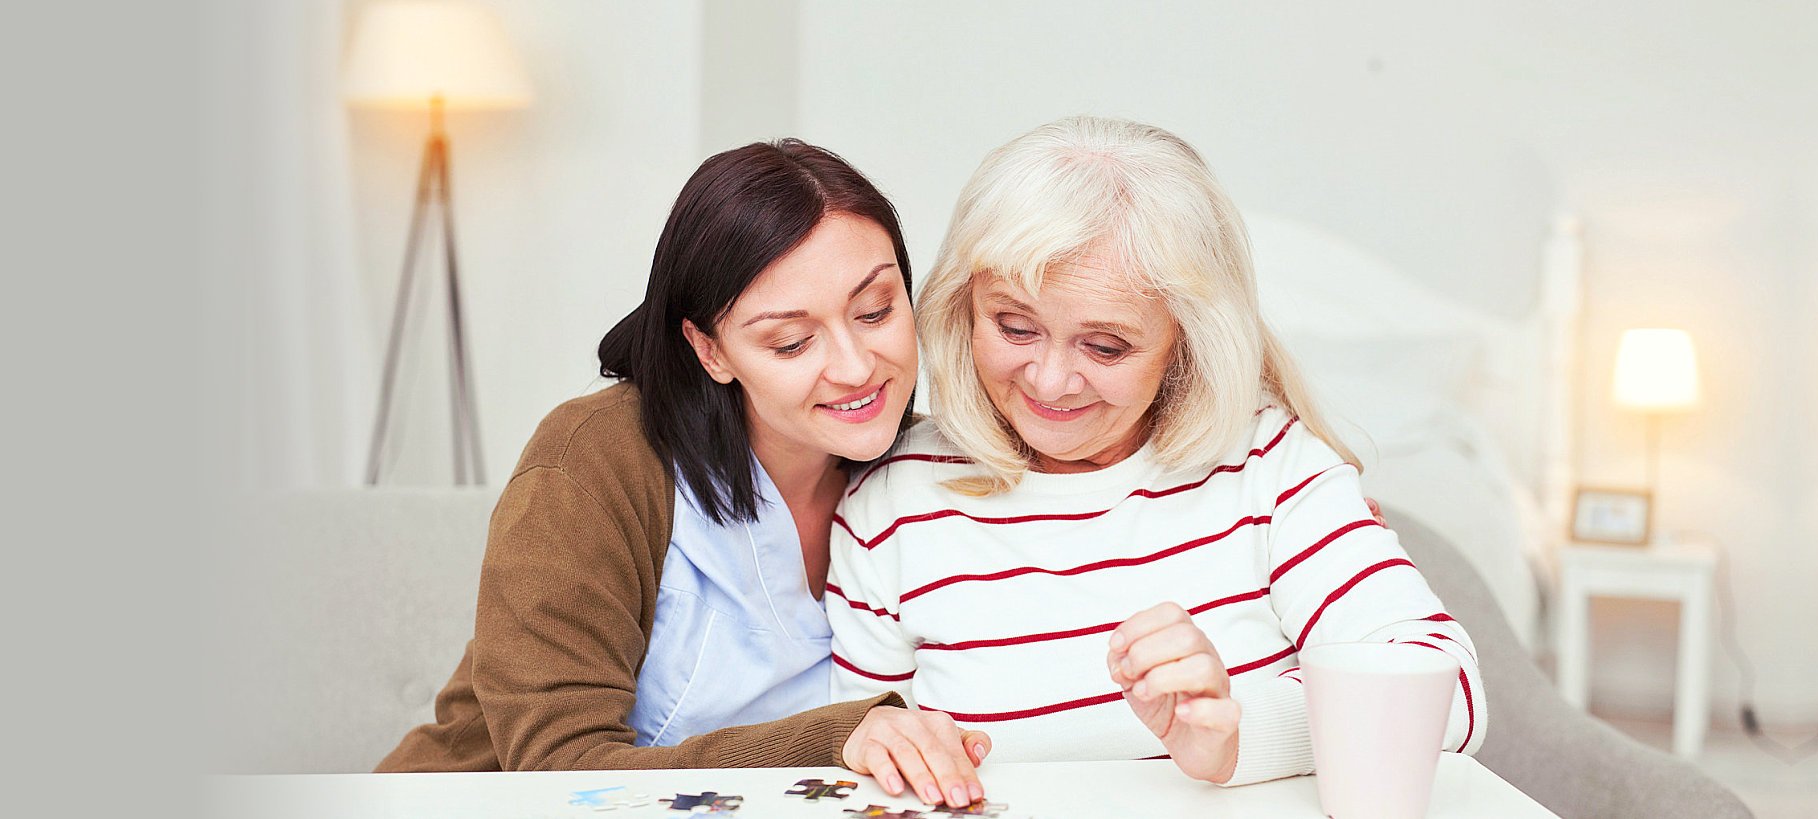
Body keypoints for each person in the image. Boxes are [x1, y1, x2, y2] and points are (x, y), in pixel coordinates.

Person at [825, 117, 1485, 787]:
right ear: (963, 307)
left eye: (1105, 345)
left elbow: (1448, 689)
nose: (1049, 380)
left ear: (1185, 344)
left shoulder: (1267, 463)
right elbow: (855, 757)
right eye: (1015, 326)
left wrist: (1237, 734)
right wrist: (874, 739)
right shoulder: (892, 498)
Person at [379, 139, 991, 810]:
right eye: (791, 340)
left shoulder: (926, 466)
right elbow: (561, 767)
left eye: (876, 310)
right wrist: (838, 737)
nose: (854, 367)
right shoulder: (597, 460)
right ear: (709, 348)